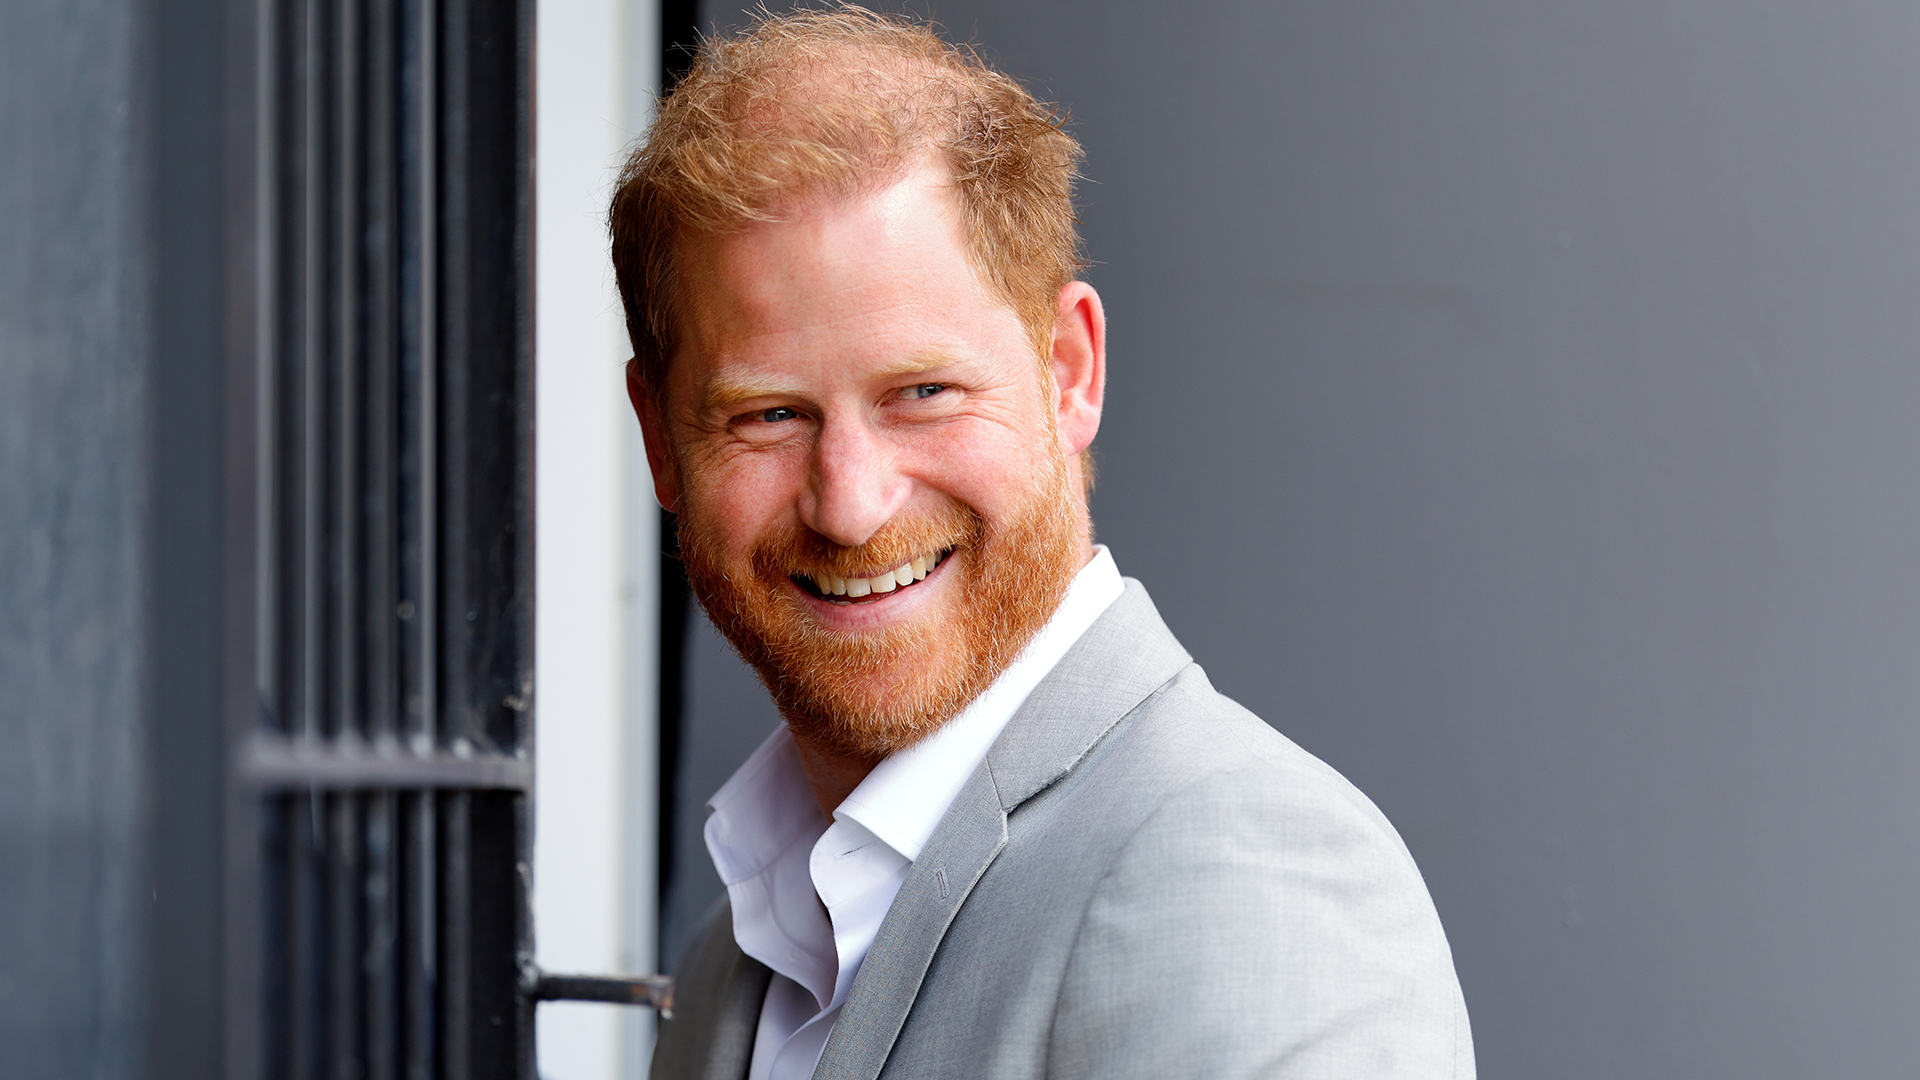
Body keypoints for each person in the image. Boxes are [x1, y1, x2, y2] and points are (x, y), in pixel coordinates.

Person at [610, 7, 1474, 1078]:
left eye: (923, 393)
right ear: (658, 442)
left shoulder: (1242, 876)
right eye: (768, 415)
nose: (851, 505)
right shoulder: (728, 974)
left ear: (1070, 371)